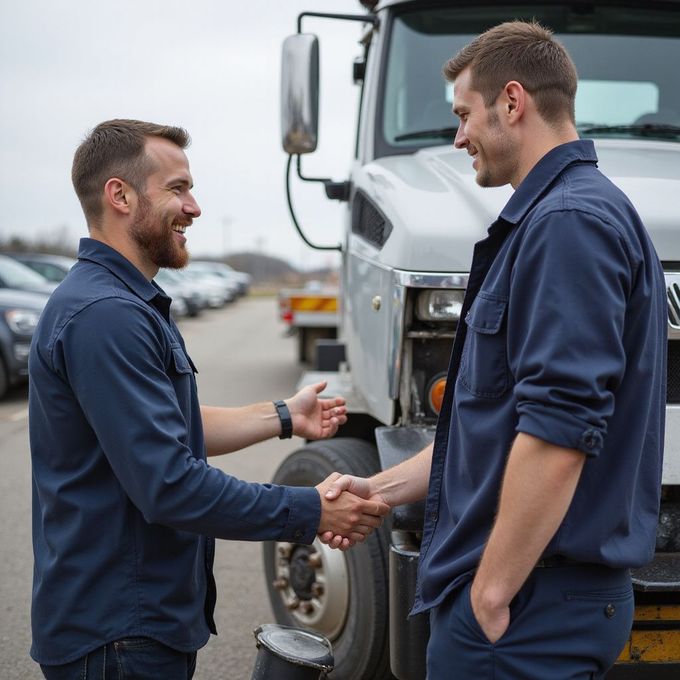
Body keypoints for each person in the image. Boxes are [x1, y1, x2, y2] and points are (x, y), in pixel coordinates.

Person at [322, 20, 666, 679]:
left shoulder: (569, 224)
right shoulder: (560, 217)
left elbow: (560, 432)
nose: (457, 138)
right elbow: (489, 427)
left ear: (512, 103)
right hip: (536, 598)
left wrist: (491, 592)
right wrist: (379, 487)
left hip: (527, 606)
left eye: (462, 115)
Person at [29, 119, 389, 679]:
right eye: (176, 189)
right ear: (119, 195)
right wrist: (311, 509)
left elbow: (169, 426)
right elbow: (169, 485)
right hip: (119, 634)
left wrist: (283, 417)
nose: (194, 207)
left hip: (137, 624)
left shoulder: (123, 303)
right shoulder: (106, 316)